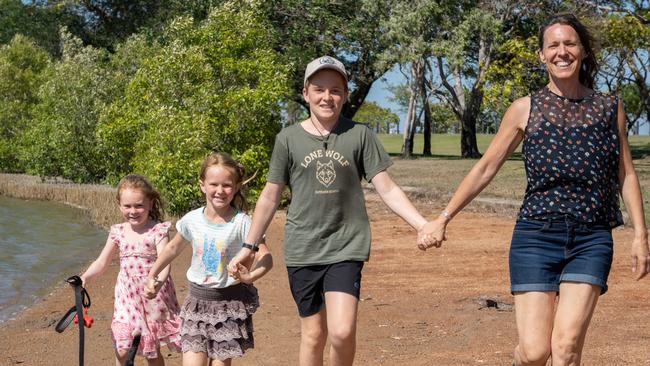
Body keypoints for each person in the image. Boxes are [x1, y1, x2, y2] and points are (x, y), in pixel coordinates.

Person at [419, 13, 650, 366]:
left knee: (567, 347)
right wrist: (443, 217)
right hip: (535, 237)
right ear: (542, 55)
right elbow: (485, 168)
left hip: (591, 238)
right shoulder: (524, 109)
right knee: (534, 352)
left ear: (583, 51)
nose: (562, 51)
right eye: (553, 45)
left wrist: (640, 236)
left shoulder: (609, 108)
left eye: (570, 43)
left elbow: (626, 174)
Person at [227, 55, 432, 366]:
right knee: (313, 335)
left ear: (345, 95)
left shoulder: (359, 135)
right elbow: (270, 196)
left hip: (346, 246)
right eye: (319, 89)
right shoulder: (288, 139)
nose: (327, 97)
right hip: (303, 249)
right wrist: (248, 247)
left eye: (335, 90)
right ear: (305, 93)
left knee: (341, 332)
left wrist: (421, 223)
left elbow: (386, 187)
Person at [144, 152, 273, 366]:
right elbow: (172, 248)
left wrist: (250, 276)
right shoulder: (192, 220)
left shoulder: (243, 223)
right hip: (196, 304)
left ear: (237, 186)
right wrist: (152, 274)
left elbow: (267, 258)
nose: (220, 191)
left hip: (228, 306)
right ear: (202, 185)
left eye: (227, 185)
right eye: (214, 184)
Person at [80, 174, 182, 366]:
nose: (133, 211)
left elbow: (165, 263)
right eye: (127, 206)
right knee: (122, 347)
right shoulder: (118, 231)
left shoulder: (158, 230)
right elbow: (101, 262)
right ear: (119, 205)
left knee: (151, 352)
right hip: (126, 297)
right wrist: (85, 277)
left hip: (153, 295)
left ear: (150, 204)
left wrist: (157, 284)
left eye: (139, 205)